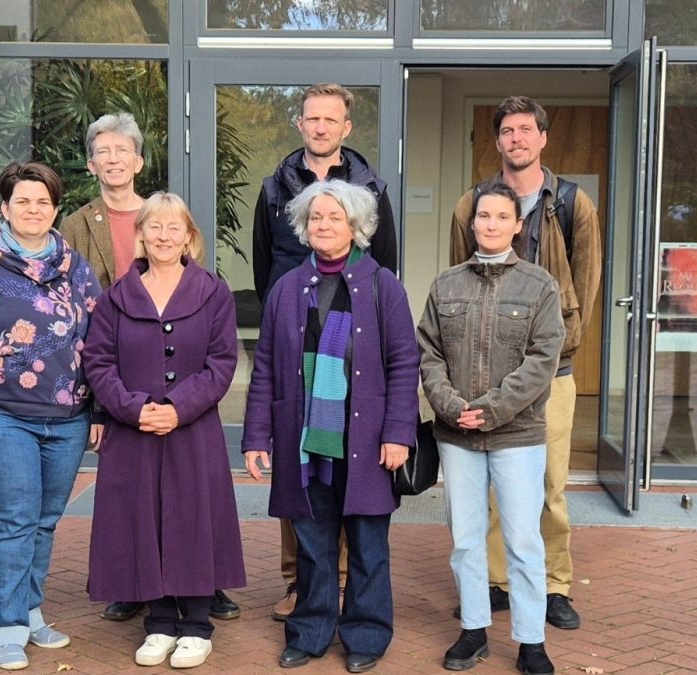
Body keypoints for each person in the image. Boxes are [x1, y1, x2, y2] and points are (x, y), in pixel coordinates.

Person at [60, 112, 239, 623]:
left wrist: (175, 407)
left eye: (123, 151)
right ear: (92, 163)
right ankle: (141, 589)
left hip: (184, 403)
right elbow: (86, 338)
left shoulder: (205, 284)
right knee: (136, 505)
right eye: (103, 151)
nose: (113, 160)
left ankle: (200, 591)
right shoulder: (76, 227)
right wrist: (118, 407)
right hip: (124, 387)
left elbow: (220, 360)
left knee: (191, 503)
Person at [243, 180, 418, 673]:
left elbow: (405, 363)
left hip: (366, 440)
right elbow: (266, 370)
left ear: (356, 227)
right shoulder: (286, 288)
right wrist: (257, 437)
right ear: (304, 226)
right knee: (314, 545)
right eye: (316, 217)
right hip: (306, 441)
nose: (324, 225)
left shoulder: (383, 285)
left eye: (335, 218)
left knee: (366, 544)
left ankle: (366, 636)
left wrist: (398, 433)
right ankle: (311, 630)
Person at [449, 95, 602, 630]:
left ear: (542, 138)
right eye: (507, 131)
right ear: (497, 142)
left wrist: (566, 346)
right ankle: (496, 581)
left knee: (550, 485)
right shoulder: (472, 203)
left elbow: (587, 282)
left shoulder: (572, 203)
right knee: (491, 483)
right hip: (484, 373)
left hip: (551, 372)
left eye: (525, 130)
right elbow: (459, 279)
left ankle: (555, 585)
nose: (516, 138)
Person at [0, 161, 100, 671]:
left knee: (44, 521)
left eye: (43, 202)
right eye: (22, 201)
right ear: (5, 208)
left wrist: (98, 408)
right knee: (11, 521)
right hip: (0, 414)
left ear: (55, 209)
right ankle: (4, 624)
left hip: (68, 417)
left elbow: (98, 342)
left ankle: (30, 611)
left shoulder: (76, 268)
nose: (33, 210)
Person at [252, 82, 399, 621]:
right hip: (298, 333)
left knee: (352, 487)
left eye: (329, 119)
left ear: (345, 128)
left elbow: (385, 262)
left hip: (349, 344)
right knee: (303, 488)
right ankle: (301, 589)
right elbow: (265, 267)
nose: (320, 127)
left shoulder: (370, 187)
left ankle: (347, 597)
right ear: (301, 123)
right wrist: (284, 314)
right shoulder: (275, 187)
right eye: (311, 118)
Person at [84, 192, 246, 669]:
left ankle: (196, 625)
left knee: (193, 517)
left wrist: (177, 408)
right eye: (153, 227)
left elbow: (222, 363)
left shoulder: (213, 293)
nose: (163, 236)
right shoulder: (115, 298)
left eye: (174, 228)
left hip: (192, 431)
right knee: (142, 517)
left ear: (189, 238)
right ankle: (157, 622)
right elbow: (98, 362)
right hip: (134, 432)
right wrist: (135, 410)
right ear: (140, 235)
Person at [423, 184, 564, 675]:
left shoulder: (540, 286)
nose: (491, 223)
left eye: (502, 216)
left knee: (523, 541)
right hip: (456, 434)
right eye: (484, 215)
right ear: (473, 222)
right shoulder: (445, 285)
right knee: (465, 539)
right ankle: (474, 631)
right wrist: (449, 404)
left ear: (517, 225)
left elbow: (542, 360)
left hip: (517, 434)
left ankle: (531, 641)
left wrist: (491, 409)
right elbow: (429, 356)